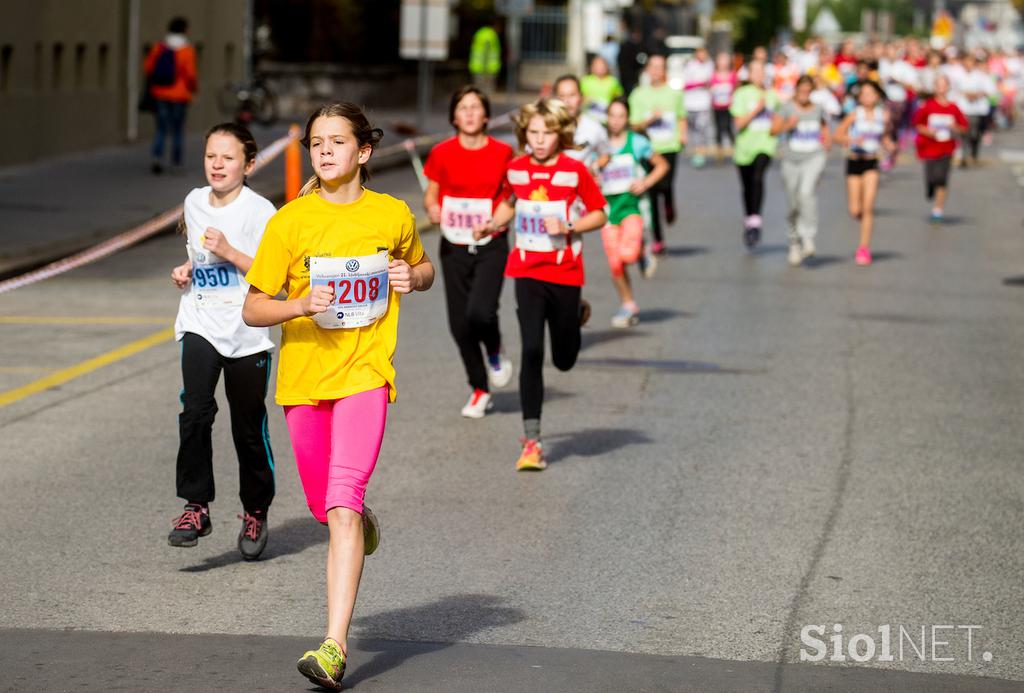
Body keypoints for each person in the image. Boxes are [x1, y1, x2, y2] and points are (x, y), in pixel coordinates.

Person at [242, 102, 434, 690]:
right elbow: (253, 308)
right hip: (304, 382)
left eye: (336, 142)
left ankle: (333, 645)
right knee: (327, 507)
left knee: (343, 502)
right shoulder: (289, 222)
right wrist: (299, 305)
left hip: (366, 376)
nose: (324, 151)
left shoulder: (392, 213)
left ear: (363, 152)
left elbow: (422, 269)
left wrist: (412, 278)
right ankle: (354, 515)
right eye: (316, 142)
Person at [471, 98, 607, 471]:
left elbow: (599, 213)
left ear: (560, 134)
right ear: (524, 134)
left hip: (564, 272)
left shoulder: (574, 170)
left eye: (547, 133)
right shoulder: (516, 170)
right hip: (527, 271)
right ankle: (532, 441)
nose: (541, 140)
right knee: (531, 350)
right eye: (533, 133)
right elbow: (509, 204)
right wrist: (492, 224)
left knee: (563, 360)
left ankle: (575, 314)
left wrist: (570, 228)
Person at [168, 123, 277, 559]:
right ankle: (196, 506)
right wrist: (188, 269)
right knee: (194, 411)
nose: (217, 164)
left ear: (248, 164)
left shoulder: (261, 211)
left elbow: (274, 278)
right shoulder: (194, 202)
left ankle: (255, 509)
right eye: (211, 155)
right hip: (200, 322)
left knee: (247, 428)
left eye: (228, 157)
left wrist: (231, 251)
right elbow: (200, 255)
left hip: (247, 332)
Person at [423, 87, 514, 418]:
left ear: (487, 115)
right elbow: (431, 196)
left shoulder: (504, 153)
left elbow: (511, 199)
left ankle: (494, 348)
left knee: (481, 312)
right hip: (453, 243)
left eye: (476, 107)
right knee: (459, 324)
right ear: (454, 116)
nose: (471, 113)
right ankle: (479, 388)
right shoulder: (442, 153)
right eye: (464, 108)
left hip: (492, 241)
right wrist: (433, 209)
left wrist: (493, 223)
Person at [599, 97, 668, 326]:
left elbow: (662, 165)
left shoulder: (637, 142)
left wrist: (645, 183)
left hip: (632, 208)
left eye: (620, 116)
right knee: (615, 262)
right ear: (607, 119)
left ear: (627, 118)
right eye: (612, 116)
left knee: (626, 255)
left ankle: (640, 252)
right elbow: (588, 171)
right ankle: (628, 304)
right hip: (608, 211)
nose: (616, 121)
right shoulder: (600, 145)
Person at [628, 54, 687, 254]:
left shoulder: (674, 94)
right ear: (647, 70)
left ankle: (669, 203)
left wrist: (683, 136)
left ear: (665, 71)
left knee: (666, 184)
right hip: (647, 149)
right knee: (651, 191)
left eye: (660, 67)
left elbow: (681, 117)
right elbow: (634, 126)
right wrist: (650, 120)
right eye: (652, 67)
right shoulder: (638, 95)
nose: (656, 71)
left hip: (669, 146)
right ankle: (658, 238)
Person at [772, 76, 832, 266]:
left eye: (808, 91)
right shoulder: (786, 107)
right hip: (791, 160)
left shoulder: (818, 109)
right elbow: (773, 130)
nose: (804, 95)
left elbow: (825, 130)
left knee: (806, 194)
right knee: (793, 202)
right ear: (796, 90)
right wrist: (787, 125)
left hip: (814, 157)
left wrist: (826, 143)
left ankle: (808, 236)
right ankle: (794, 241)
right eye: (801, 91)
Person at [834, 81, 895, 266]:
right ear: (859, 97)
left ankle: (864, 248)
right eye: (864, 94)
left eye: (871, 93)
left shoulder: (883, 116)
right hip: (854, 162)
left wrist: (889, 144)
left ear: (877, 96)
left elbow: (884, 137)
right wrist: (852, 139)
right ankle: (861, 219)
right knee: (855, 210)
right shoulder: (854, 115)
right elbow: (837, 136)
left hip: (871, 162)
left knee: (868, 207)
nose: (868, 97)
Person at [730, 59, 779, 247]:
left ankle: (756, 220)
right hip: (744, 147)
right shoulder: (741, 94)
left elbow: (778, 120)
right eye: (755, 71)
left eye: (761, 71)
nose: (759, 75)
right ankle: (749, 219)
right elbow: (738, 124)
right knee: (747, 186)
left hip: (765, 144)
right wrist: (756, 110)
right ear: (749, 75)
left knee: (758, 177)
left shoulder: (773, 95)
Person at [143, 16, 197, 174]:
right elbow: (191, 74)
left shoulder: (160, 47)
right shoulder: (186, 50)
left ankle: (157, 158)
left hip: (160, 94)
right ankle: (176, 163)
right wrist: (192, 89)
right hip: (180, 95)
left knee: (161, 129)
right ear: (185, 30)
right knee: (178, 130)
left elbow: (148, 68)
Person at [912, 74, 968, 222]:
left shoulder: (953, 107)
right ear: (935, 88)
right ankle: (930, 187)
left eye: (944, 85)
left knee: (942, 178)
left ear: (948, 88)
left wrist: (954, 127)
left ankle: (938, 209)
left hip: (947, 147)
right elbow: (917, 124)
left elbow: (963, 127)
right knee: (932, 176)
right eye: (938, 85)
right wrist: (928, 131)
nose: (941, 89)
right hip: (929, 147)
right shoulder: (928, 106)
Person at [554, 74, 610, 168]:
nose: (567, 101)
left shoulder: (594, 127)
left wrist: (592, 169)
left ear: (581, 97)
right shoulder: (547, 127)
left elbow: (606, 155)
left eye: (572, 95)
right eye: (562, 96)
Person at [955, 53, 997, 168]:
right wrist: (965, 94)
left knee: (974, 133)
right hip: (962, 109)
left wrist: (978, 94)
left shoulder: (981, 76)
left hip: (976, 110)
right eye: (966, 62)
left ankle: (973, 152)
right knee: (963, 132)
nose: (968, 64)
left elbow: (991, 91)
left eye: (971, 62)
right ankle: (964, 155)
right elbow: (953, 90)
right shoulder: (957, 75)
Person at [683, 47, 715, 167]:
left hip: (703, 104)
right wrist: (701, 83)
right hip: (690, 103)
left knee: (702, 129)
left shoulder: (710, 65)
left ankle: (700, 154)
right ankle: (695, 150)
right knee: (693, 130)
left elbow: (712, 82)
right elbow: (685, 84)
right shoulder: (690, 66)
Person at [580, 55, 624, 124]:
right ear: (592, 67)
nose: (600, 67)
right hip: (590, 117)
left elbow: (619, 97)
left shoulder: (613, 81)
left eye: (602, 65)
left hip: (607, 117)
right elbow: (581, 98)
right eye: (597, 65)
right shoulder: (585, 81)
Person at [711, 51, 738, 162]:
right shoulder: (714, 75)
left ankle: (736, 150)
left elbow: (736, 89)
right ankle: (719, 152)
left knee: (728, 128)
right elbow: (711, 88)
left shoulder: (732, 75)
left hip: (729, 106)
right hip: (717, 106)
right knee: (718, 129)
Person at [469, 19, 502, 93]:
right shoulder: (490, 35)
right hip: (487, 69)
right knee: (486, 92)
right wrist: (485, 70)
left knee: (478, 91)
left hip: (477, 67)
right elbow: (486, 53)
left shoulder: (479, 33)